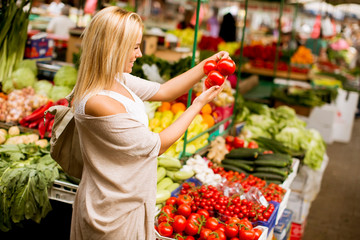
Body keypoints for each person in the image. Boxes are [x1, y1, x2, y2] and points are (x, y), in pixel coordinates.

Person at [70, 6, 229, 240]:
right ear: (113, 48)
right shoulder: (99, 101)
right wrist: (198, 104)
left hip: (125, 198)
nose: (140, 54)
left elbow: (164, 91)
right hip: (113, 214)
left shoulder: (116, 79)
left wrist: (207, 65)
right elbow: (158, 144)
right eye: (134, 47)